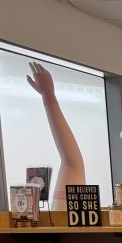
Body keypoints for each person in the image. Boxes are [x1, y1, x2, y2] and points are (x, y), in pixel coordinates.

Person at [26, 61, 85, 210]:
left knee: (73, 164)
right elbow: (72, 162)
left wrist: (48, 96)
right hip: (67, 205)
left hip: (66, 205)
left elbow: (72, 162)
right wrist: (48, 96)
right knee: (73, 164)